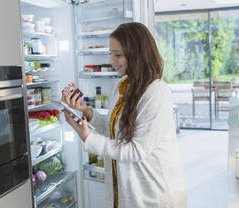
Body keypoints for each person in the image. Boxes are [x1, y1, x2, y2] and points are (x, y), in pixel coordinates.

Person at [62, 22, 188, 208]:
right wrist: (86, 112)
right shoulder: (123, 86)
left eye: (118, 54)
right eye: (111, 53)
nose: (112, 60)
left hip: (155, 195)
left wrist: (88, 138)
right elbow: (114, 130)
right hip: (130, 191)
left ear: (137, 54)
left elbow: (136, 150)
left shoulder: (156, 93)